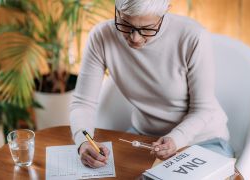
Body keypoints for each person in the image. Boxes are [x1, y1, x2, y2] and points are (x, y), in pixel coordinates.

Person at [70, 0, 234, 168]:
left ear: (165, 12)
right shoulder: (101, 37)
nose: (135, 38)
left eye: (147, 28)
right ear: (117, 10)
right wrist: (83, 142)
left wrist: (176, 139)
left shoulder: (193, 36)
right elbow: (83, 103)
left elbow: (203, 109)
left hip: (202, 140)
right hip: (143, 138)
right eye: (125, 24)